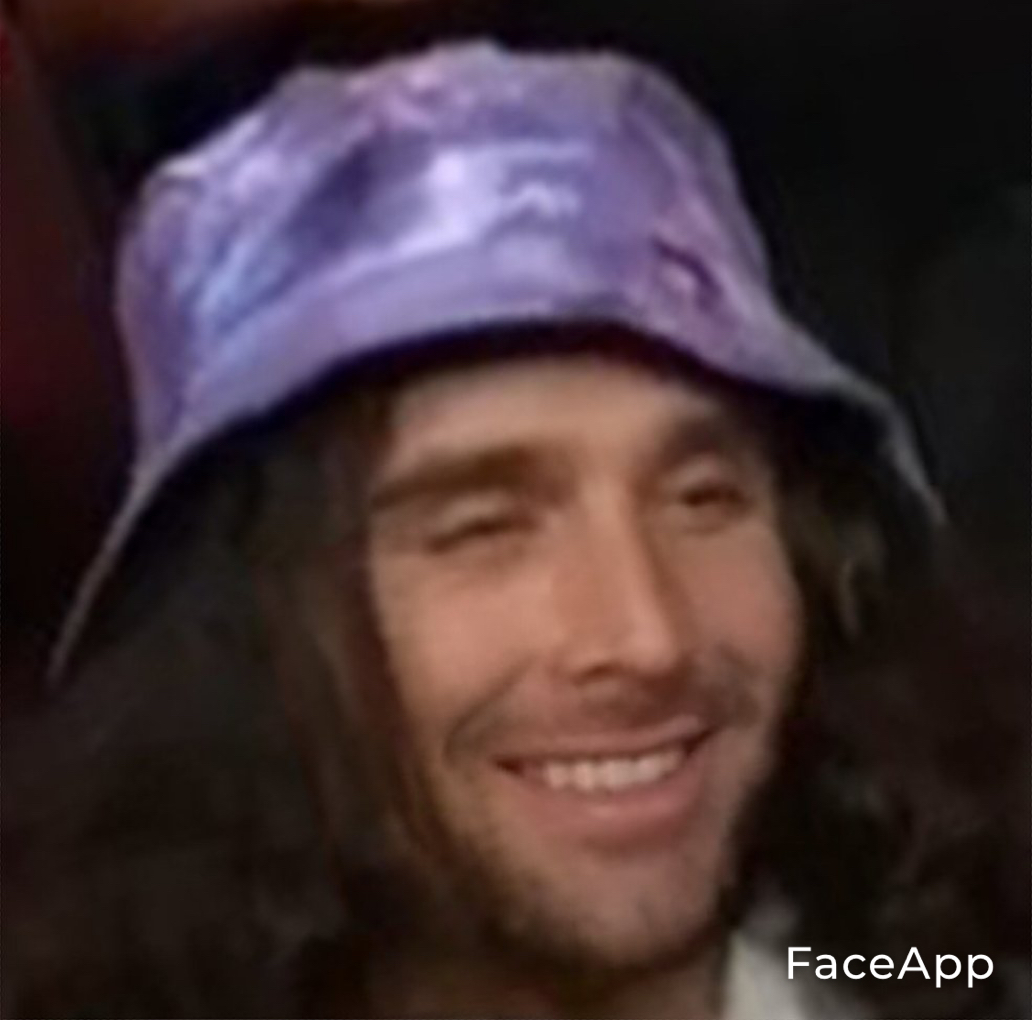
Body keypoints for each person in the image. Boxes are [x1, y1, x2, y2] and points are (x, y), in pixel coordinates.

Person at [7, 42, 1026, 1020]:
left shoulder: (915, 970)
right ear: (241, 629)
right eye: (484, 528)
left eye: (704, 500)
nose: (647, 636)